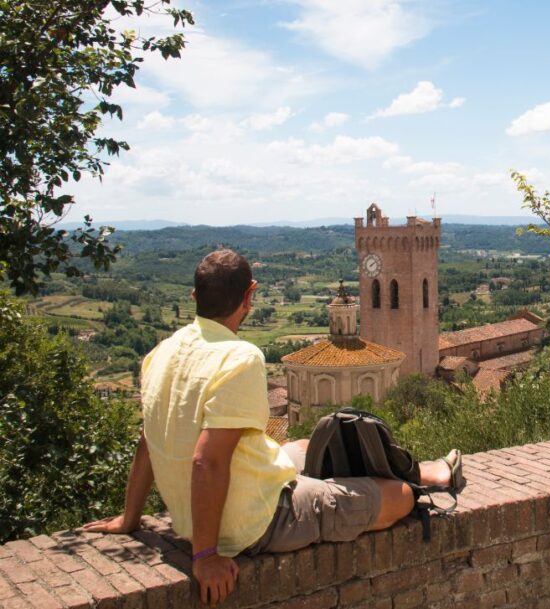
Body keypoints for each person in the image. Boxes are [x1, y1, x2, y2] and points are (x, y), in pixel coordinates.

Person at [84, 249, 462, 606]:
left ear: (194, 296)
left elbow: (146, 442)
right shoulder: (240, 356)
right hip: (255, 522)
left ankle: (413, 469)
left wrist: (129, 519)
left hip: (218, 504)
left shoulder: (160, 352)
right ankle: (423, 477)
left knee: (305, 444)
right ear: (250, 295)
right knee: (397, 496)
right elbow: (206, 462)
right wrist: (206, 555)